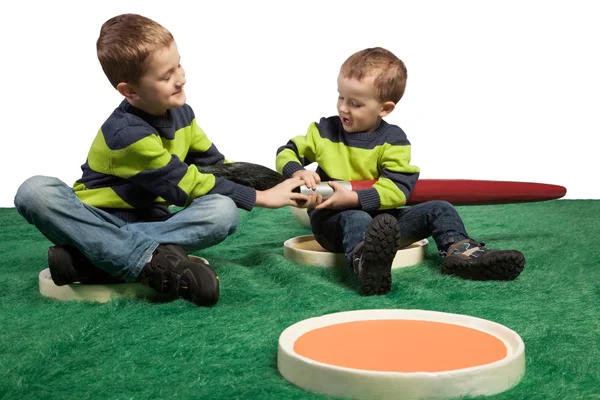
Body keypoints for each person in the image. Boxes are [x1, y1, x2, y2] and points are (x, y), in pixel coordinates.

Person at [13, 13, 312, 307]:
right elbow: (185, 183)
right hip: (95, 218)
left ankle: (91, 256)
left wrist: (283, 185)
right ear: (130, 91)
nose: (181, 78)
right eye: (166, 76)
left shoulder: (183, 114)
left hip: (153, 222)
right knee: (34, 191)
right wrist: (263, 197)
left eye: (178, 65)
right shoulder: (126, 133)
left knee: (223, 211)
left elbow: (220, 167)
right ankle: (143, 260)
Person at [275, 47, 525, 296]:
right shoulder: (324, 131)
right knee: (357, 217)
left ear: (384, 109)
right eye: (341, 97)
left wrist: (356, 198)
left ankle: (462, 254)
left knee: (441, 208)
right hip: (333, 223)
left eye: (355, 103)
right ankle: (367, 264)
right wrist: (297, 171)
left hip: (385, 223)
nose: (343, 108)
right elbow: (287, 150)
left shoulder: (393, 141)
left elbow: (398, 189)